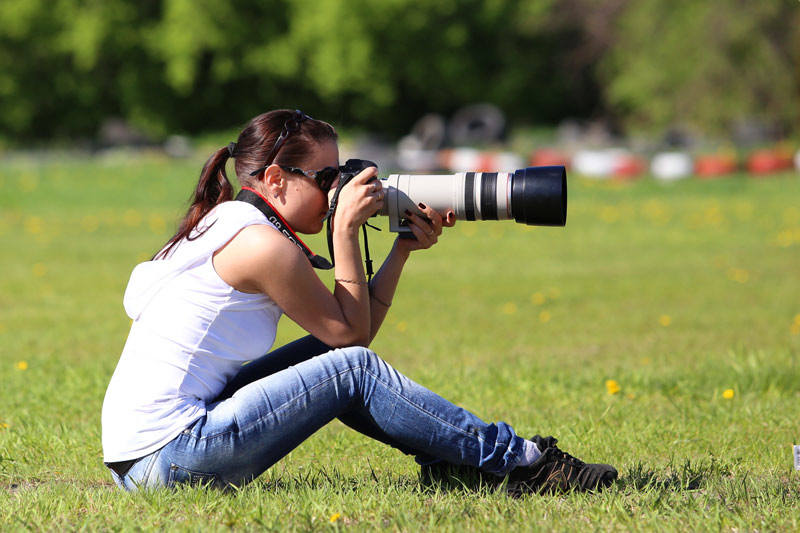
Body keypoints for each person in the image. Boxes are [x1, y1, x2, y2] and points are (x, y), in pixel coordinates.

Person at [101, 109, 618, 495]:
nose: (336, 191)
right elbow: (350, 342)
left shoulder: (230, 224)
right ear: (276, 180)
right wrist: (344, 230)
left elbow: (348, 332)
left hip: (146, 461)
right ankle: (524, 464)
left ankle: (457, 463)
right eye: (325, 179)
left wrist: (401, 251)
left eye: (339, 174)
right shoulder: (260, 245)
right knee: (352, 368)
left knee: (340, 363)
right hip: (171, 458)